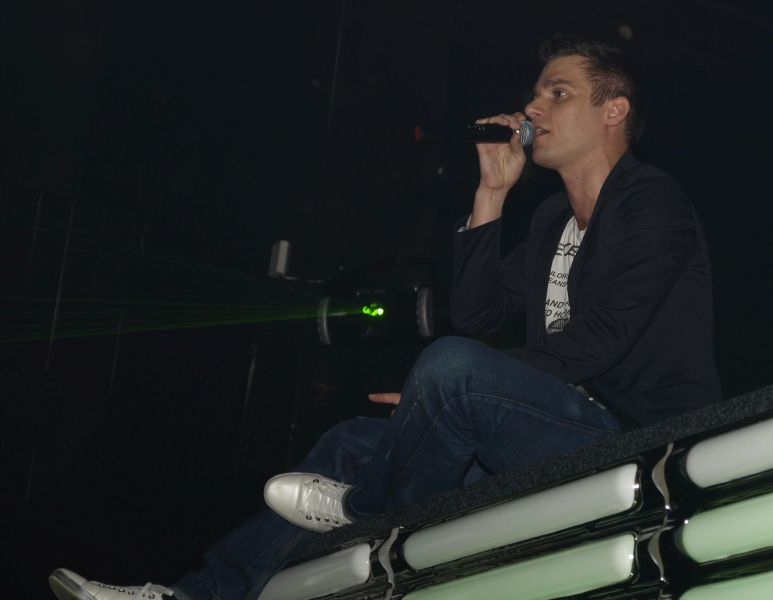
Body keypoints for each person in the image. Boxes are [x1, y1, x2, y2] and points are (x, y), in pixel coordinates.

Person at [48, 35, 721, 600]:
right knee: (351, 441)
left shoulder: (650, 202)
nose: (532, 106)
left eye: (558, 93)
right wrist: (491, 192)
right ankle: (197, 595)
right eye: (536, 92)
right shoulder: (551, 219)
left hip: (632, 436)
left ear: (613, 110)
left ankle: (368, 514)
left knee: (450, 370)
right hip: (547, 428)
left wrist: (459, 388)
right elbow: (476, 312)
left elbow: (600, 341)